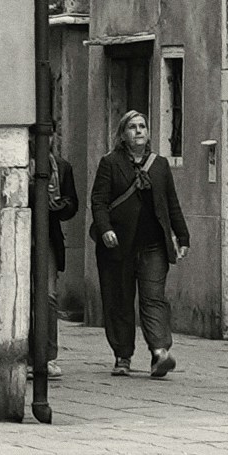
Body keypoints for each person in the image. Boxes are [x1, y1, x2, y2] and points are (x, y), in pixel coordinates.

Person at [84, 108, 188, 379]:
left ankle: (159, 352)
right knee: (119, 299)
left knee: (154, 298)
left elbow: (171, 203)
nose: (138, 131)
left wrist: (182, 237)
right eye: (132, 127)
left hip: (153, 245)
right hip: (118, 245)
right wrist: (105, 229)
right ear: (123, 134)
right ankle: (122, 355)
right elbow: (99, 201)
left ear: (148, 133)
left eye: (142, 126)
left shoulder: (160, 165)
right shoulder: (110, 163)